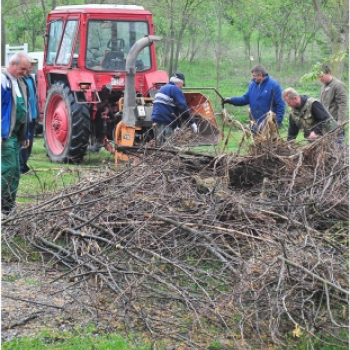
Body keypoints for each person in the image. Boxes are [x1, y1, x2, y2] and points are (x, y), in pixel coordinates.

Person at [1, 52, 30, 217]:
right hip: (4, 134)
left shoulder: (20, 83)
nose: (25, 72)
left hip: (15, 134)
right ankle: (3, 206)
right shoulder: (3, 80)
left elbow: (22, 110)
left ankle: (9, 206)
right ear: (12, 64)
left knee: (16, 171)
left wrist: (24, 134)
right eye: (23, 69)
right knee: (8, 168)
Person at [223, 64, 285, 129]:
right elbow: (245, 99)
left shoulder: (274, 86)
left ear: (260, 75)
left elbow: (281, 105)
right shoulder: (252, 85)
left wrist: (277, 123)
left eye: (254, 76)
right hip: (255, 126)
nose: (253, 78)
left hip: (269, 126)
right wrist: (231, 100)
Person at [151, 72, 198, 146]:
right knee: (168, 147)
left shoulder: (163, 88)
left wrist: (175, 126)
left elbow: (166, 108)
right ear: (180, 83)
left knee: (159, 146)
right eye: (182, 85)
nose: (182, 87)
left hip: (156, 120)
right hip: (166, 122)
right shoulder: (175, 89)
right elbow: (182, 107)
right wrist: (192, 123)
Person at [19, 56, 39, 174]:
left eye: (33, 65)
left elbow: (34, 98)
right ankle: (21, 167)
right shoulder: (19, 79)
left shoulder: (31, 79)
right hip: (24, 116)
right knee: (22, 142)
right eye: (30, 64)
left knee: (29, 143)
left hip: (32, 115)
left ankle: (24, 165)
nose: (32, 67)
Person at [318, 64, 348, 132]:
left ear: (328, 73)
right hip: (325, 124)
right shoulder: (322, 88)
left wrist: (340, 122)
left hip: (336, 124)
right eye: (318, 77)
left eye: (321, 76)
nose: (320, 79)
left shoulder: (338, 85)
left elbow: (342, 105)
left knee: (337, 142)